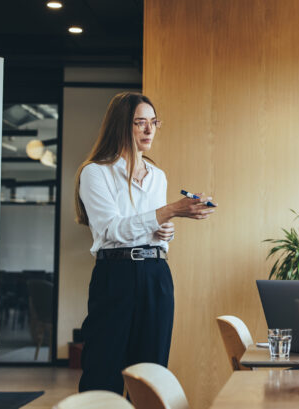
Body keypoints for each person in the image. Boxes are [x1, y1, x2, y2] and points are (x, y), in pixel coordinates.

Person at [74, 92, 216, 394]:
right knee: (103, 370)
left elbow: (152, 227)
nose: (149, 130)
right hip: (115, 277)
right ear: (121, 126)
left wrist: (167, 231)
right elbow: (111, 230)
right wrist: (170, 211)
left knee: (152, 374)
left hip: (156, 275)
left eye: (154, 123)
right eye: (140, 123)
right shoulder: (95, 172)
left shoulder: (158, 176)